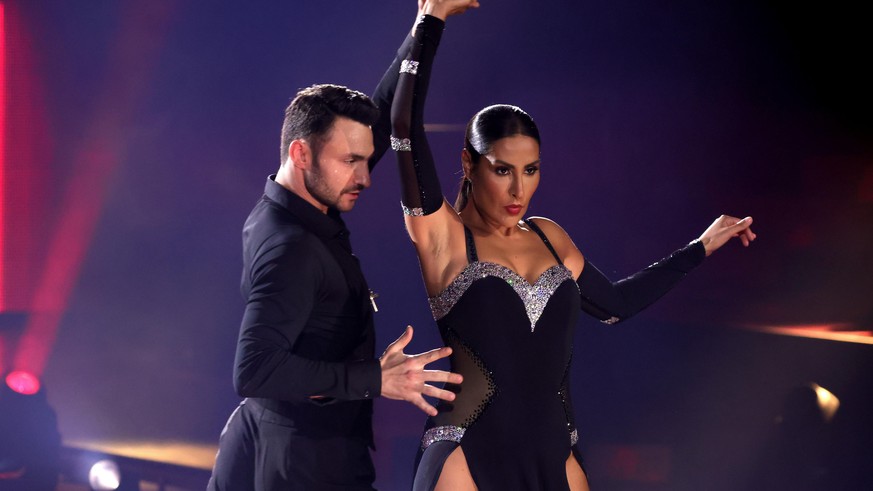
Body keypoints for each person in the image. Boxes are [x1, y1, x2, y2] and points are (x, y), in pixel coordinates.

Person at [388, 3, 757, 490]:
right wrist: (430, 19)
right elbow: (404, 130)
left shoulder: (549, 235)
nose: (519, 190)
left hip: (556, 455)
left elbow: (616, 305)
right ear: (469, 163)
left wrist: (700, 247)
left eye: (531, 170)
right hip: (466, 459)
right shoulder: (446, 238)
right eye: (502, 170)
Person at [206, 3, 478, 489]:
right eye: (351, 161)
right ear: (300, 152)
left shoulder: (300, 195)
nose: (365, 178)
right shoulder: (291, 247)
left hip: (306, 444)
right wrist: (377, 379)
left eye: (366, 160)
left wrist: (428, 21)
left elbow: (385, 108)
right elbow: (254, 370)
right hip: (305, 464)